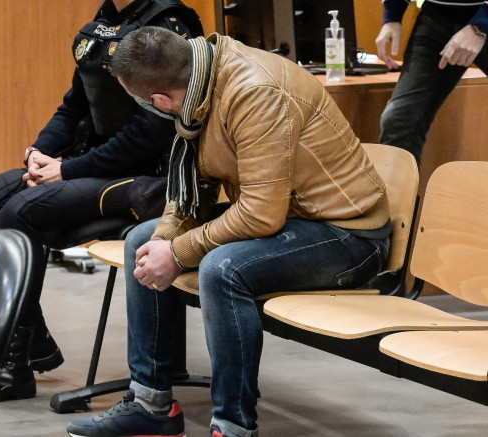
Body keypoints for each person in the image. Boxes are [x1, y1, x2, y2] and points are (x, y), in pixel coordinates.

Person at [65, 27, 392, 437]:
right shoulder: (200, 80)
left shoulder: (254, 93)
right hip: (289, 216)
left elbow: (259, 216)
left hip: (347, 233)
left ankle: (233, 425)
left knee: (222, 268)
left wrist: (180, 252)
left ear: (161, 102)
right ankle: (151, 405)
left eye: (144, 104)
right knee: (140, 240)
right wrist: (166, 238)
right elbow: (192, 192)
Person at [0, 0, 202, 401]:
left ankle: (14, 362)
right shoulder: (107, 19)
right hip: (93, 162)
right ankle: (30, 342)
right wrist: (39, 152)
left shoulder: (169, 23)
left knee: (18, 212)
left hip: (148, 177)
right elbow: (73, 106)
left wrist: (66, 171)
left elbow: (152, 133)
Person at [377, 0, 488, 165]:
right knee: (399, 120)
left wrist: (480, 26)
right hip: (436, 19)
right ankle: (403, 191)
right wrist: (393, 15)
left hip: (481, 18)